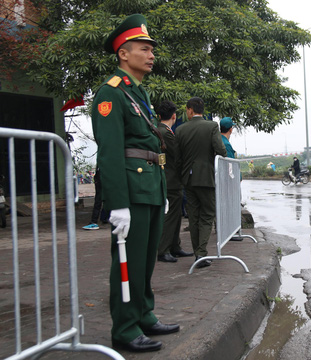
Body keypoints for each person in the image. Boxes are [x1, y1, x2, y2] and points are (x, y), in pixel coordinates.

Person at [91, 14, 178, 353]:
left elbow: (149, 146)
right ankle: (125, 329)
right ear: (123, 54)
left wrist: (161, 191)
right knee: (127, 261)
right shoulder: (110, 93)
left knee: (145, 259)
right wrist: (118, 203)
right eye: (144, 48)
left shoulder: (137, 93)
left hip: (150, 187)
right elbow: (111, 153)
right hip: (131, 189)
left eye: (152, 49)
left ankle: (144, 314)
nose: (151, 54)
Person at [175, 97, 226, 268]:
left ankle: (198, 253)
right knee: (207, 215)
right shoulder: (211, 126)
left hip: (188, 180)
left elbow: (177, 157)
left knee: (194, 217)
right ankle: (201, 254)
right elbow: (221, 150)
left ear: (190, 110)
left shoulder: (180, 130)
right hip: (206, 177)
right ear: (201, 110)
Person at [156, 100, 194, 263]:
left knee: (175, 215)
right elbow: (177, 156)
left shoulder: (158, 130)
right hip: (171, 180)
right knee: (171, 216)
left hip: (168, 179)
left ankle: (174, 246)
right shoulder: (166, 133)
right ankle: (164, 249)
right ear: (174, 115)